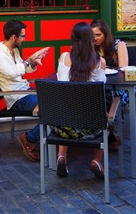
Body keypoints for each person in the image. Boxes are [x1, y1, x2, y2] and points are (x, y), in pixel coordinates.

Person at [0, 20, 50, 162]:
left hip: (25, 91)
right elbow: (12, 73)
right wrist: (29, 59)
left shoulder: (15, 51)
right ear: (14, 37)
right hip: (16, 98)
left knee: (56, 101)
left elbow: (24, 70)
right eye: (23, 36)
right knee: (53, 108)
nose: (24, 39)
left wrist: (33, 62)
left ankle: (50, 142)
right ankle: (29, 138)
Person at [55, 22, 107, 179]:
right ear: (91, 39)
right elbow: (101, 89)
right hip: (91, 127)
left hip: (63, 127)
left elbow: (59, 79)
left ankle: (61, 156)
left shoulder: (63, 57)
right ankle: (97, 160)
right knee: (104, 116)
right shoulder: (99, 62)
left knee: (66, 108)